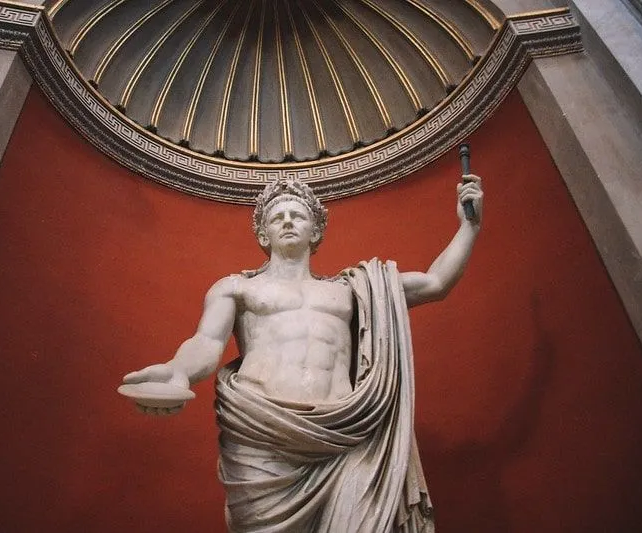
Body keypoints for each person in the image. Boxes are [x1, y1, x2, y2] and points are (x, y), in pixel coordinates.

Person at [122, 174, 483, 533]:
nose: (288, 222)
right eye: (277, 218)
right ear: (264, 235)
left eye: (298, 215)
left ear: (316, 232)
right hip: (265, 441)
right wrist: (178, 371)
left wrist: (468, 226)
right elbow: (207, 343)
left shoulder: (353, 290)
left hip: (348, 437)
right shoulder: (236, 288)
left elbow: (435, 283)